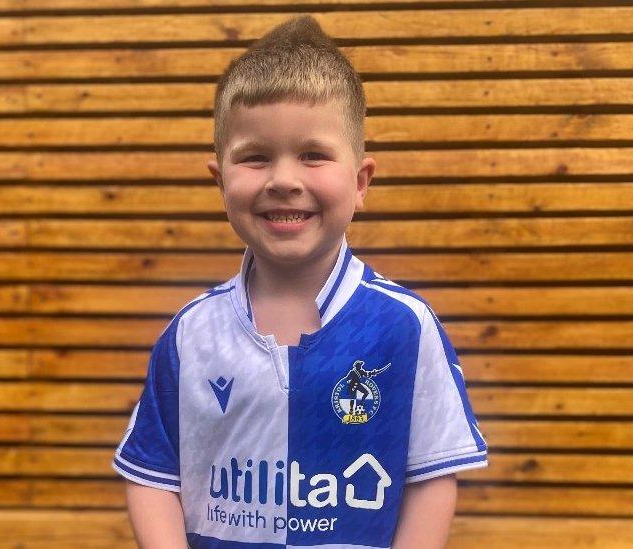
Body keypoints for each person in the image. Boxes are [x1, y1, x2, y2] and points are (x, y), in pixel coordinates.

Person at [111, 13, 488, 549]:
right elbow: (152, 475)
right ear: (220, 180)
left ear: (361, 182)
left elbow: (431, 476)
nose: (284, 180)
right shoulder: (192, 333)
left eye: (313, 155)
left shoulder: (403, 327)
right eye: (256, 157)